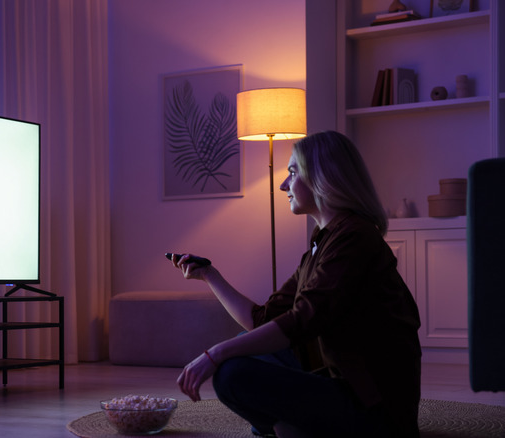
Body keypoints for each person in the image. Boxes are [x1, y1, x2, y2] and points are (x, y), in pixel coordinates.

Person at [170, 131, 421, 438]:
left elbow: (302, 321)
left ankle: (290, 428)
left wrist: (214, 354)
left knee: (232, 373)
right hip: (343, 385)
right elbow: (262, 319)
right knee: (242, 350)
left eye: (292, 172)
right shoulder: (324, 242)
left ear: (322, 177)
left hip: (374, 410)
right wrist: (210, 274)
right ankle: (287, 426)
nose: (283, 185)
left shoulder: (355, 238)